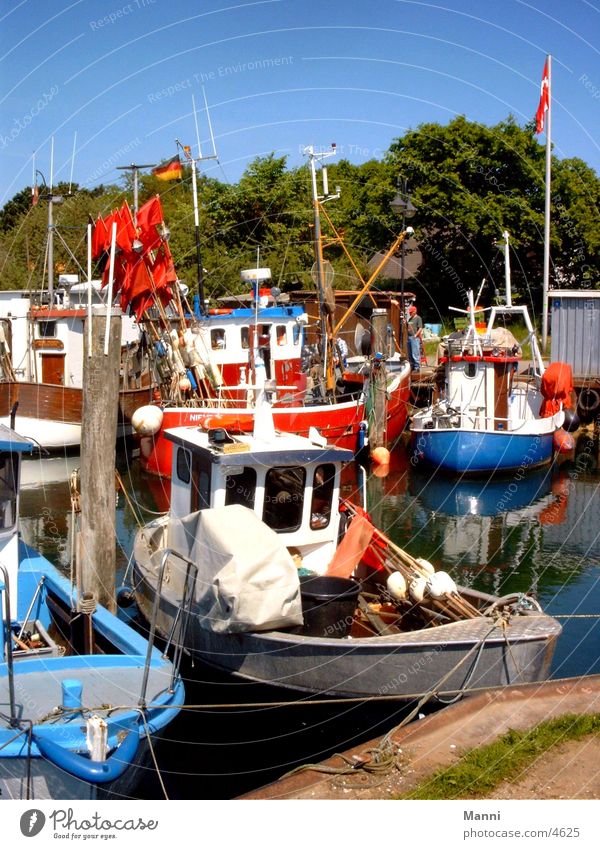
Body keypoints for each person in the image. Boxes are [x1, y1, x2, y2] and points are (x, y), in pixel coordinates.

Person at [407, 304, 423, 371]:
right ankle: (412, 366)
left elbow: (420, 328)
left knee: (415, 352)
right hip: (409, 337)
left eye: (411, 312)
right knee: (410, 353)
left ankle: (417, 367)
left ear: (415, 311)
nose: (410, 313)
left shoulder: (418, 318)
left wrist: (416, 335)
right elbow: (408, 326)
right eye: (409, 312)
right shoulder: (410, 319)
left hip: (415, 338)